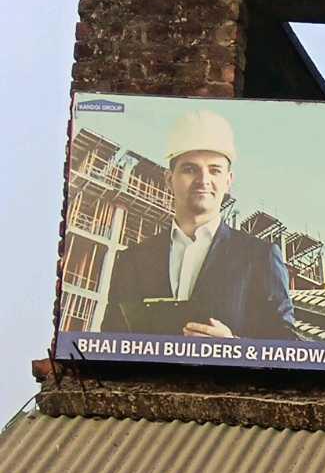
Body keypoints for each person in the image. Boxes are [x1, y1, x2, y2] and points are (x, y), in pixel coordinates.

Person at [101, 110, 296, 341]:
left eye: (214, 170)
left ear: (228, 181)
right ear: (169, 179)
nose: (203, 180)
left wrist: (235, 347)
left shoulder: (259, 257)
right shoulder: (132, 260)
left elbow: (287, 345)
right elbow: (110, 342)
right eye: (190, 169)